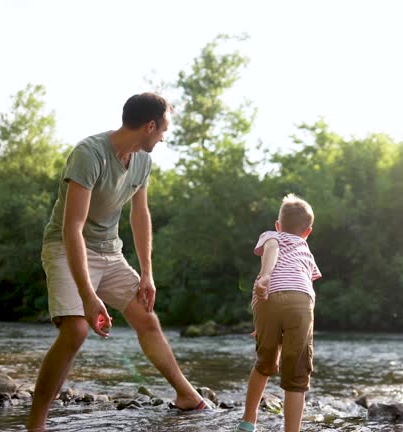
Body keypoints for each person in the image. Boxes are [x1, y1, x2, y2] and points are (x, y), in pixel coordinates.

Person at [27, 93, 209, 431]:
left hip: (109, 250)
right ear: (149, 125)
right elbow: (72, 228)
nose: (164, 137)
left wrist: (147, 273)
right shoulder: (89, 154)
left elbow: (140, 216)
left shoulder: (142, 161)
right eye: (163, 130)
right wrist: (88, 294)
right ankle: (35, 425)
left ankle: (187, 395)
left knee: (147, 318)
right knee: (76, 329)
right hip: (67, 247)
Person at [235, 194, 322, 432]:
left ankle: (248, 421)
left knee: (265, 364)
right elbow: (306, 285)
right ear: (308, 232)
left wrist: (265, 276)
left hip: (268, 300)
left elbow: (271, 249)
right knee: (297, 374)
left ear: (278, 225)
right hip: (301, 301)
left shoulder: (271, 235)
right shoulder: (306, 250)